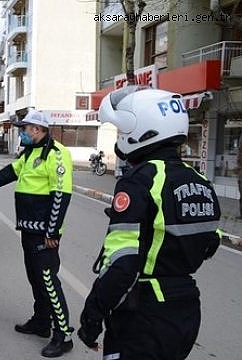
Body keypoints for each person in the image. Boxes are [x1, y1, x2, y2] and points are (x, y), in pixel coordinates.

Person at [77, 86, 221, 359]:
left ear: (141, 129)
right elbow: (210, 242)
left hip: (143, 316)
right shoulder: (200, 181)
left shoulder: (140, 181)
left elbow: (122, 264)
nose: (120, 138)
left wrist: (91, 319)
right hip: (186, 310)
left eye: (122, 131)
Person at [0, 110, 74, 358]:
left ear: (37, 130)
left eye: (25, 129)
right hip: (29, 229)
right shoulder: (30, 153)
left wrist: (52, 231)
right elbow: (10, 173)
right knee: (35, 278)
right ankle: (41, 322)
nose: (22, 133)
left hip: (45, 233)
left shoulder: (57, 154)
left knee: (49, 281)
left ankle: (64, 335)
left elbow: (61, 195)